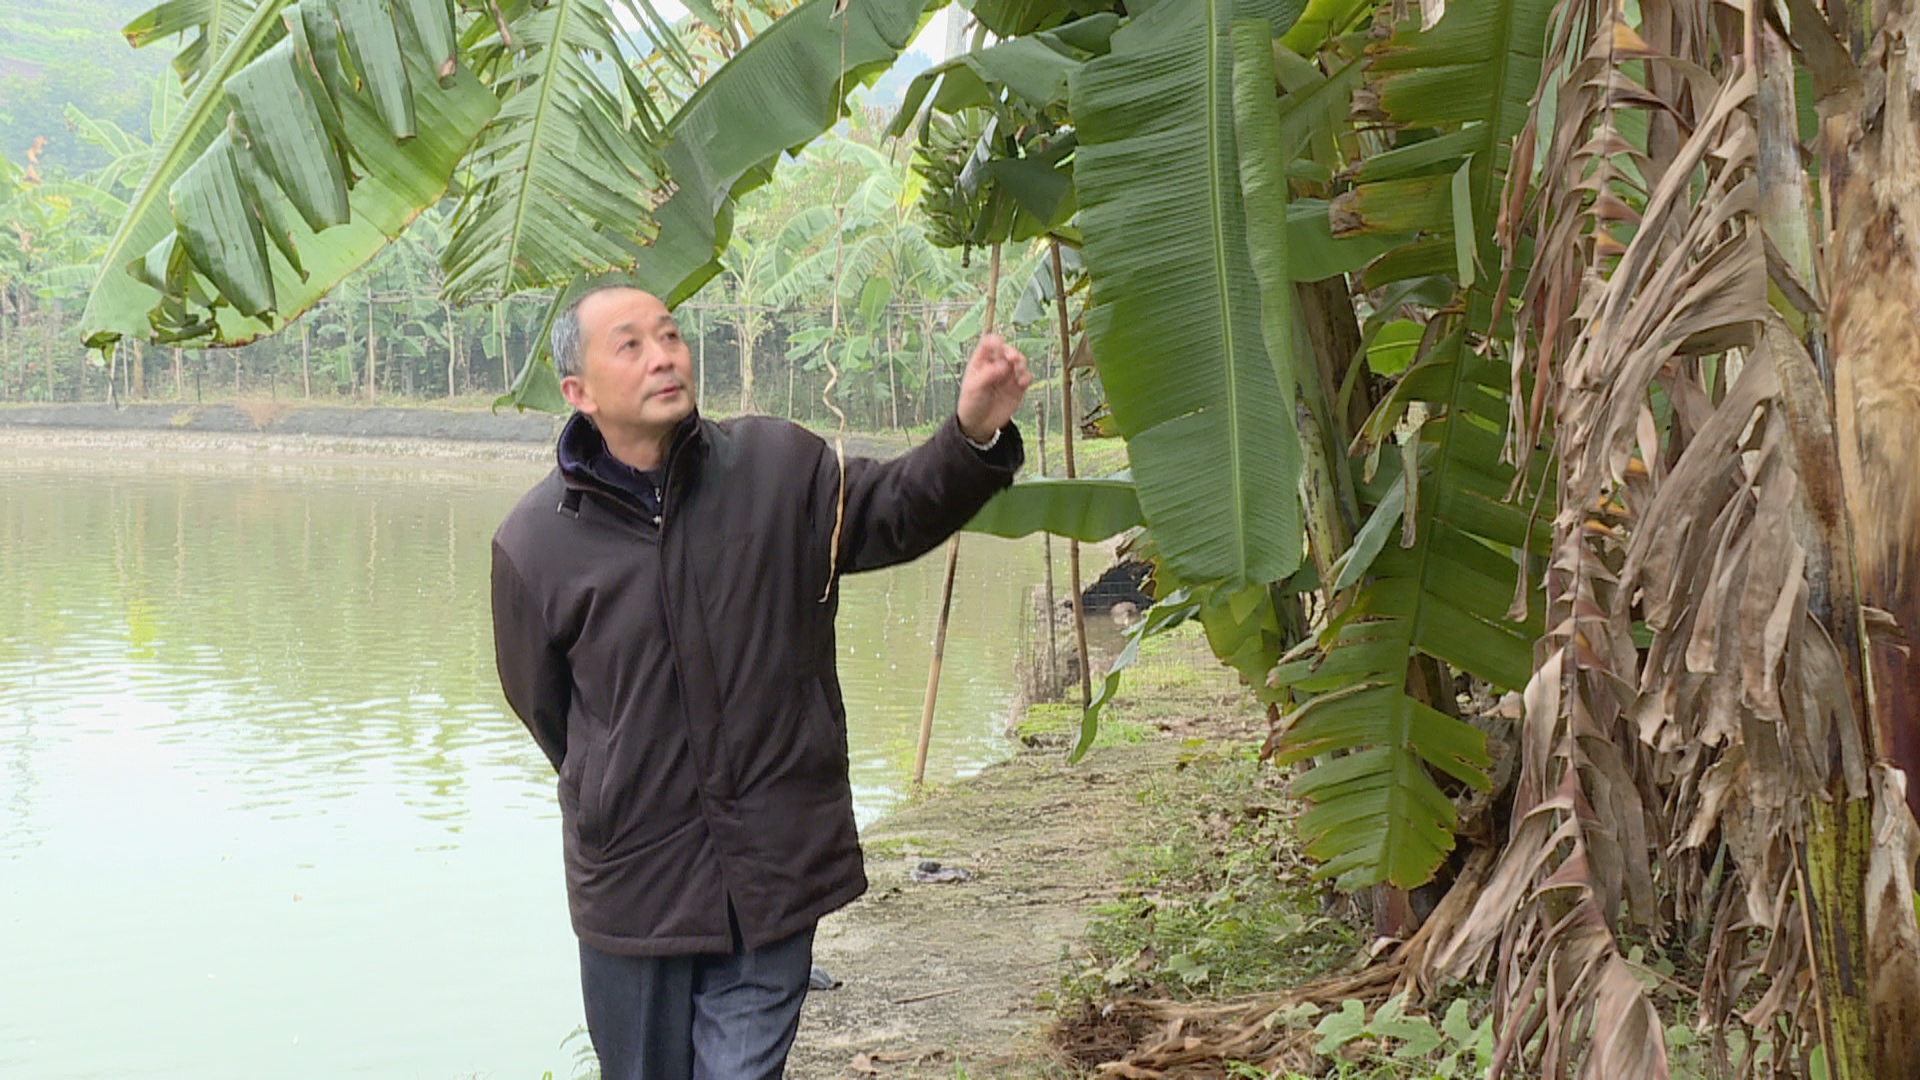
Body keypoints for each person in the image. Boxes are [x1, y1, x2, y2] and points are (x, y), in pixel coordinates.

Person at [490, 284, 1030, 1080]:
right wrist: (614, 783)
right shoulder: (535, 542)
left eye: (670, 336)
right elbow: (545, 707)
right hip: (637, 882)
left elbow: (893, 512)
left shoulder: (780, 468)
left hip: (775, 858)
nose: (664, 356)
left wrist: (972, 432)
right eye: (630, 344)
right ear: (578, 392)